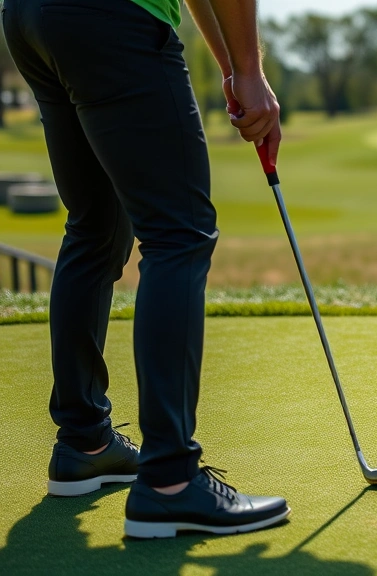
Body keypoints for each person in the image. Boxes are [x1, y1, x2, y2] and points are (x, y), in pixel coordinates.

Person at [2, 0, 289, 538]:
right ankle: (170, 482)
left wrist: (233, 68)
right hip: (114, 20)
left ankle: (84, 443)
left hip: (31, 17)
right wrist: (249, 73)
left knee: (95, 228)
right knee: (179, 233)